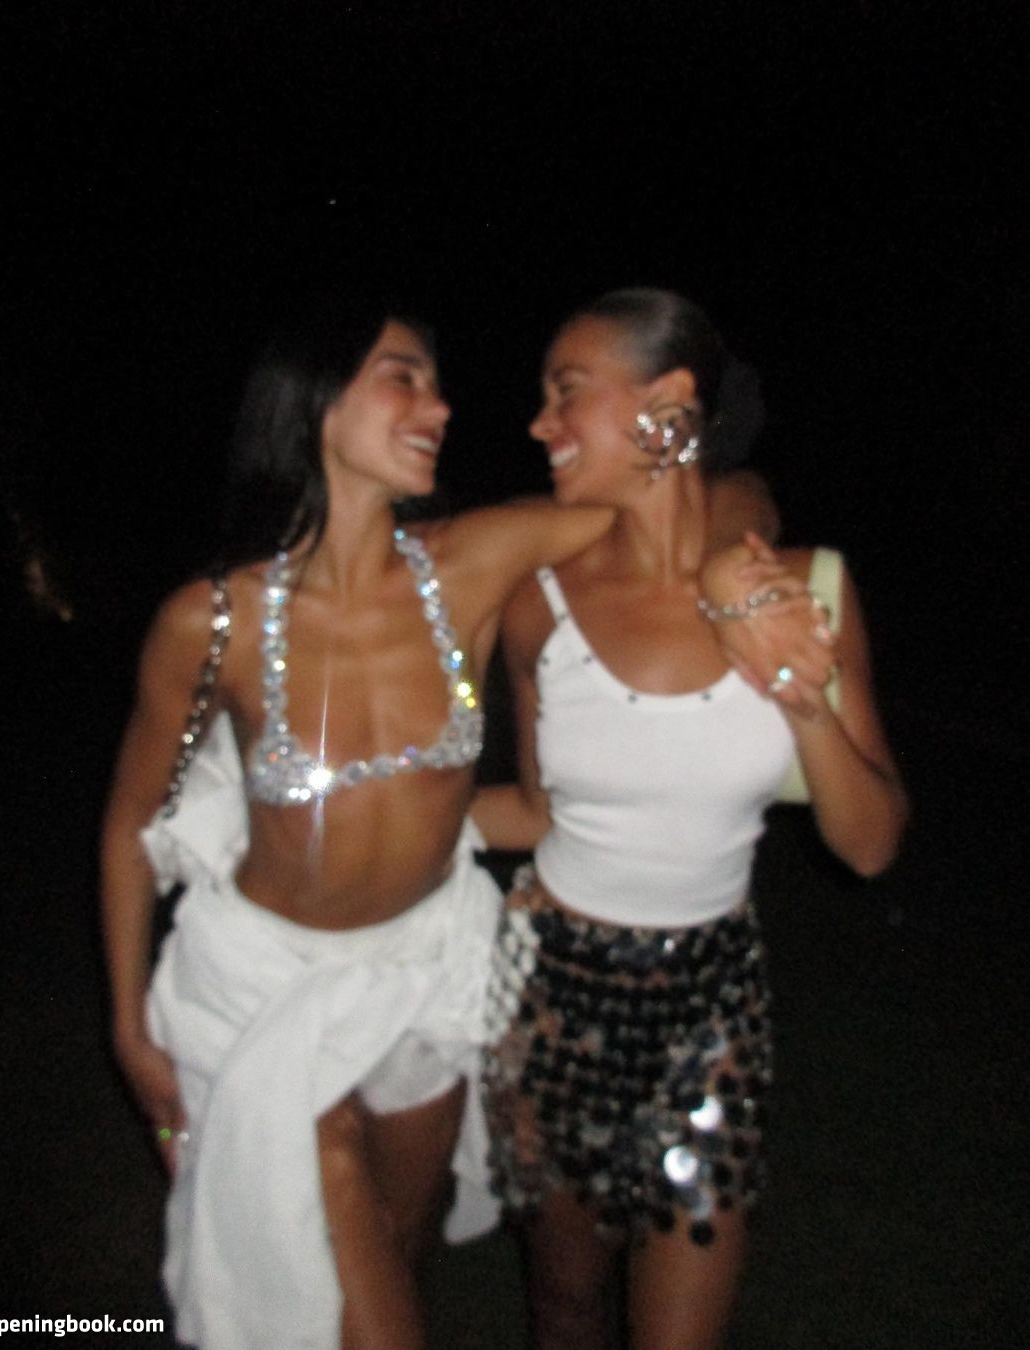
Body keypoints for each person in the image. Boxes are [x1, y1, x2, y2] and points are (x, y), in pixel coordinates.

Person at [101, 302, 626, 1350]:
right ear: (317, 403)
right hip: (262, 983)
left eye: (435, 381)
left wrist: (738, 492)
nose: (440, 406)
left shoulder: (474, 562)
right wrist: (126, 1023)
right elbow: (130, 827)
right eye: (404, 377)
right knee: (329, 1248)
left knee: (402, 1243)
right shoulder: (212, 622)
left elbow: (654, 514)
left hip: (427, 966)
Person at [472, 288, 908, 1350]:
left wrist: (798, 693)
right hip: (550, 1000)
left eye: (566, 392)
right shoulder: (536, 603)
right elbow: (534, 809)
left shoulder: (803, 589)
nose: (539, 423)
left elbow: (869, 844)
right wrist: (365, 823)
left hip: (713, 1012)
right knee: (566, 1305)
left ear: (667, 405)